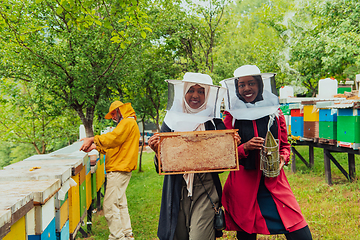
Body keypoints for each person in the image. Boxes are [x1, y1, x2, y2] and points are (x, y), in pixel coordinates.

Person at [219, 65, 313, 240]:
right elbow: (222, 154)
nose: (247, 88)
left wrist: (283, 159)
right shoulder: (231, 117)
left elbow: (284, 147)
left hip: (274, 183)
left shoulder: (276, 114)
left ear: (260, 85)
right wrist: (244, 148)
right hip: (243, 186)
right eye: (242, 85)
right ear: (236, 88)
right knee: (246, 234)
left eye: (251, 83)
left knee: (301, 233)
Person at [148, 72, 240, 240]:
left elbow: (220, 167)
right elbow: (162, 165)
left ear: (208, 95)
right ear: (183, 92)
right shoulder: (170, 122)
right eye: (191, 90)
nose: (196, 95)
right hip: (177, 189)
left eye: (201, 91)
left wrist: (230, 146)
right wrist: (157, 151)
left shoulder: (214, 123)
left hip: (206, 189)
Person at [80, 100, 140, 240]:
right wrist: (96, 146)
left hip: (119, 169)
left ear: (120, 110)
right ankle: (127, 234)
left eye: (113, 113)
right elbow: (115, 146)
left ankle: (117, 237)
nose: (113, 117)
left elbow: (114, 138)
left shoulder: (127, 122)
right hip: (121, 168)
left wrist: (93, 139)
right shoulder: (127, 124)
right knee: (120, 204)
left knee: (109, 206)